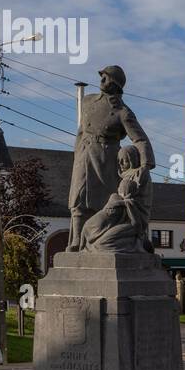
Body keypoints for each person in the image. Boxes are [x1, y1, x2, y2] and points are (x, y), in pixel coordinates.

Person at [66, 65, 154, 251]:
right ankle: (75, 241)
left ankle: (98, 239)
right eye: (101, 77)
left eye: (105, 78)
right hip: (84, 153)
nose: (101, 81)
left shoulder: (123, 112)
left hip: (106, 158)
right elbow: (81, 131)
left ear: (115, 84)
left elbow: (140, 138)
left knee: (104, 201)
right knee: (78, 198)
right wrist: (76, 155)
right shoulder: (88, 101)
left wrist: (145, 165)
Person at [79, 146, 154, 252]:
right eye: (120, 161)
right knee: (88, 228)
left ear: (133, 159)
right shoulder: (123, 177)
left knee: (105, 242)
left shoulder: (140, 174)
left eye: (125, 160)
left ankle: (132, 247)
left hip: (133, 222)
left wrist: (122, 202)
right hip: (116, 217)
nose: (122, 164)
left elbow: (136, 209)